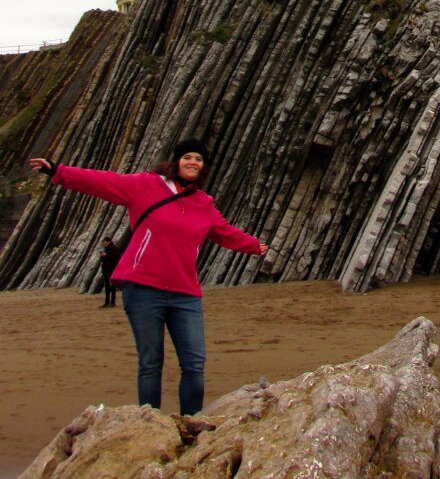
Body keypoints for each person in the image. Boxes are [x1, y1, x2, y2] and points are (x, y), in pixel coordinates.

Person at [29, 139, 268, 416]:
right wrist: (58, 171)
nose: (193, 162)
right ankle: (149, 423)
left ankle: (192, 422)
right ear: (176, 161)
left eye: (199, 159)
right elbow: (102, 182)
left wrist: (257, 246)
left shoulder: (203, 204)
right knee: (151, 362)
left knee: (193, 363)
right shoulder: (146, 186)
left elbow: (225, 232)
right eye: (187, 157)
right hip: (143, 289)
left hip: (185, 293)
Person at [98, 235, 120, 307]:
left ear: (109, 242)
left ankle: (112, 302)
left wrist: (106, 255)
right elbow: (103, 260)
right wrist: (102, 256)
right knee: (107, 285)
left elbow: (115, 258)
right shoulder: (106, 249)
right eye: (103, 243)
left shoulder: (114, 249)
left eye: (105, 243)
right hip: (105, 269)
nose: (104, 244)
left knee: (112, 286)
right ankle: (106, 302)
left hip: (112, 269)